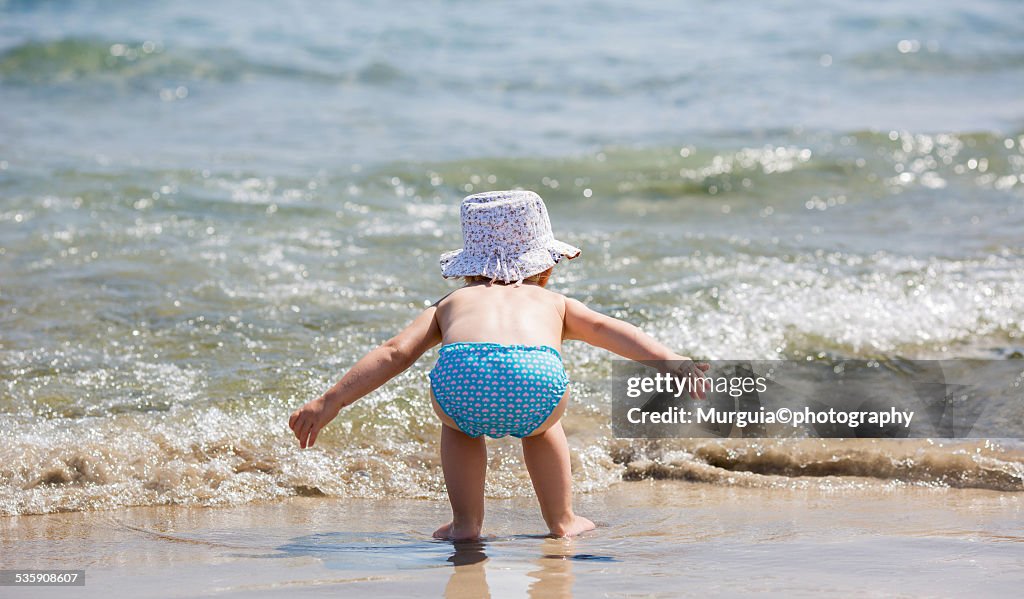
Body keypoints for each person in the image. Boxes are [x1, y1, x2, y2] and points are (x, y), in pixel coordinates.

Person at [288, 190, 708, 540]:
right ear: (545, 263)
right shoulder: (554, 302)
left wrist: (331, 401)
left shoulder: (451, 303)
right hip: (536, 380)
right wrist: (673, 362)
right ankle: (562, 521)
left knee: (459, 428)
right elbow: (611, 330)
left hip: (463, 378)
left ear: (470, 267)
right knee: (543, 429)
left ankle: (467, 524)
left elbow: (394, 352)